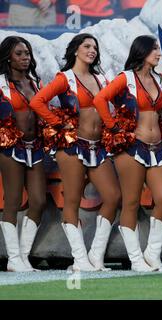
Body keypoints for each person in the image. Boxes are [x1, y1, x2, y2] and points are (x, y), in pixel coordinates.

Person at [30, 33, 121, 272]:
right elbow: (38, 102)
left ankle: (95, 257)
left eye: (95, 47)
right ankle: (79, 260)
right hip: (72, 146)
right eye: (87, 46)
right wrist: (58, 124)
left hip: (97, 146)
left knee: (113, 197)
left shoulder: (101, 78)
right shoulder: (65, 78)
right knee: (72, 199)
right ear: (76, 50)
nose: (92, 50)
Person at [93, 35, 162, 272]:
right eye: (155, 50)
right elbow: (100, 100)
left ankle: (152, 255)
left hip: (157, 148)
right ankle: (136, 259)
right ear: (142, 52)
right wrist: (114, 127)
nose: (159, 53)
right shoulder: (125, 78)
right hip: (131, 147)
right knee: (130, 202)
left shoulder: (160, 80)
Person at [0, 36, 46, 272]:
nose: (25, 58)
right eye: (19, 53)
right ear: (8, 56)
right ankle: (13, 258)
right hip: (10, 148)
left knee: (38, 200)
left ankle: (23, 257)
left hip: (35, 147)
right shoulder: (0, 83)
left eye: (27, 53)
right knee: (13, 201)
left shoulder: (35, 82)